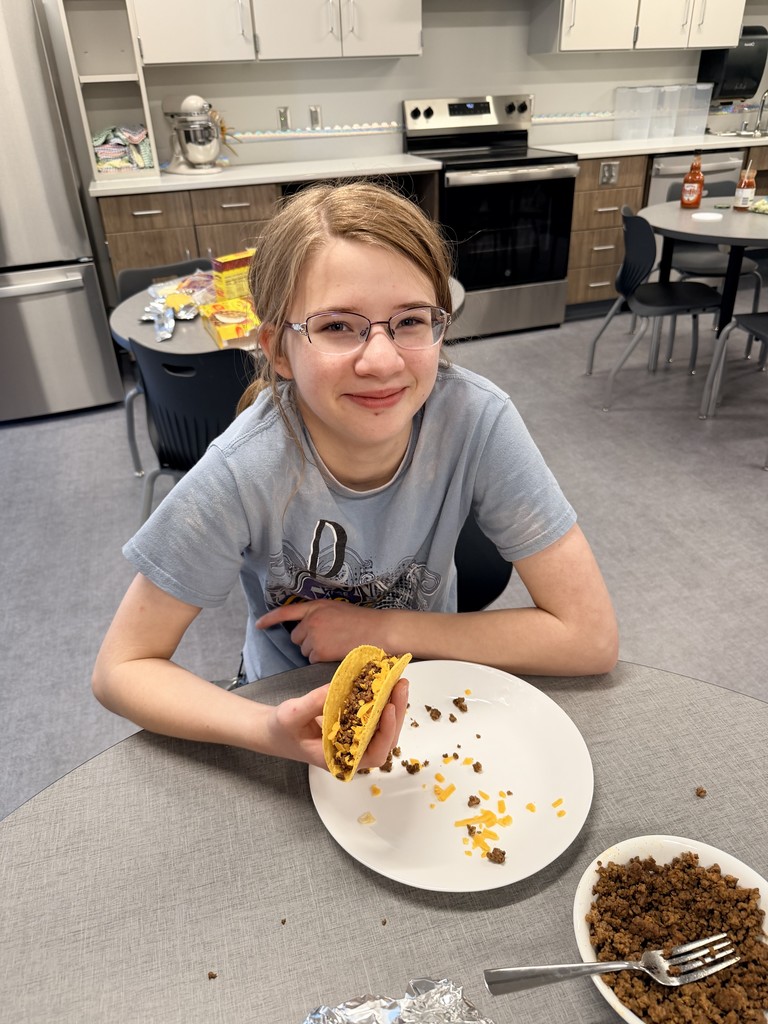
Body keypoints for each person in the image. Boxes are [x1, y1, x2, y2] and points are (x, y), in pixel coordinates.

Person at [93, 180, 618, 772]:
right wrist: (266, 729)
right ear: (280, 351)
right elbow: (121, 669)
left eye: (411, 320)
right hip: (290, 700)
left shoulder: (477, 420)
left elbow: (590, 637)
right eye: (338, 326)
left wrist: (382, 629)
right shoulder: (243, 470)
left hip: (431, 688)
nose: (382, 360)